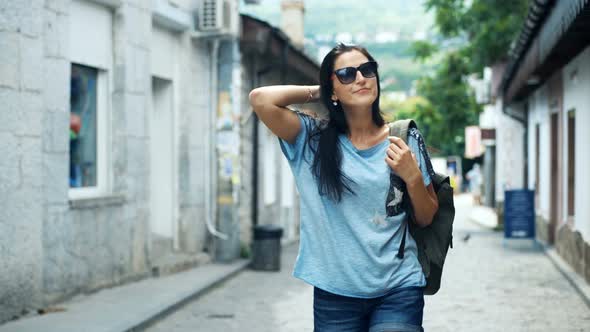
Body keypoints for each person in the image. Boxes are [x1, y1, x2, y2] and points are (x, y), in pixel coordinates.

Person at [249, 43, 438, 332]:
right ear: (332, 89)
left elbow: (426, 217)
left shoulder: (403, 138)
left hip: (397, 287)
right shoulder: (310, 139)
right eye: (347, 74)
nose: (361, 78)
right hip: (335, 293)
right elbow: (261, 99)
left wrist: (412, 177)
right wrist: (321, 90)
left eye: (367, 70)